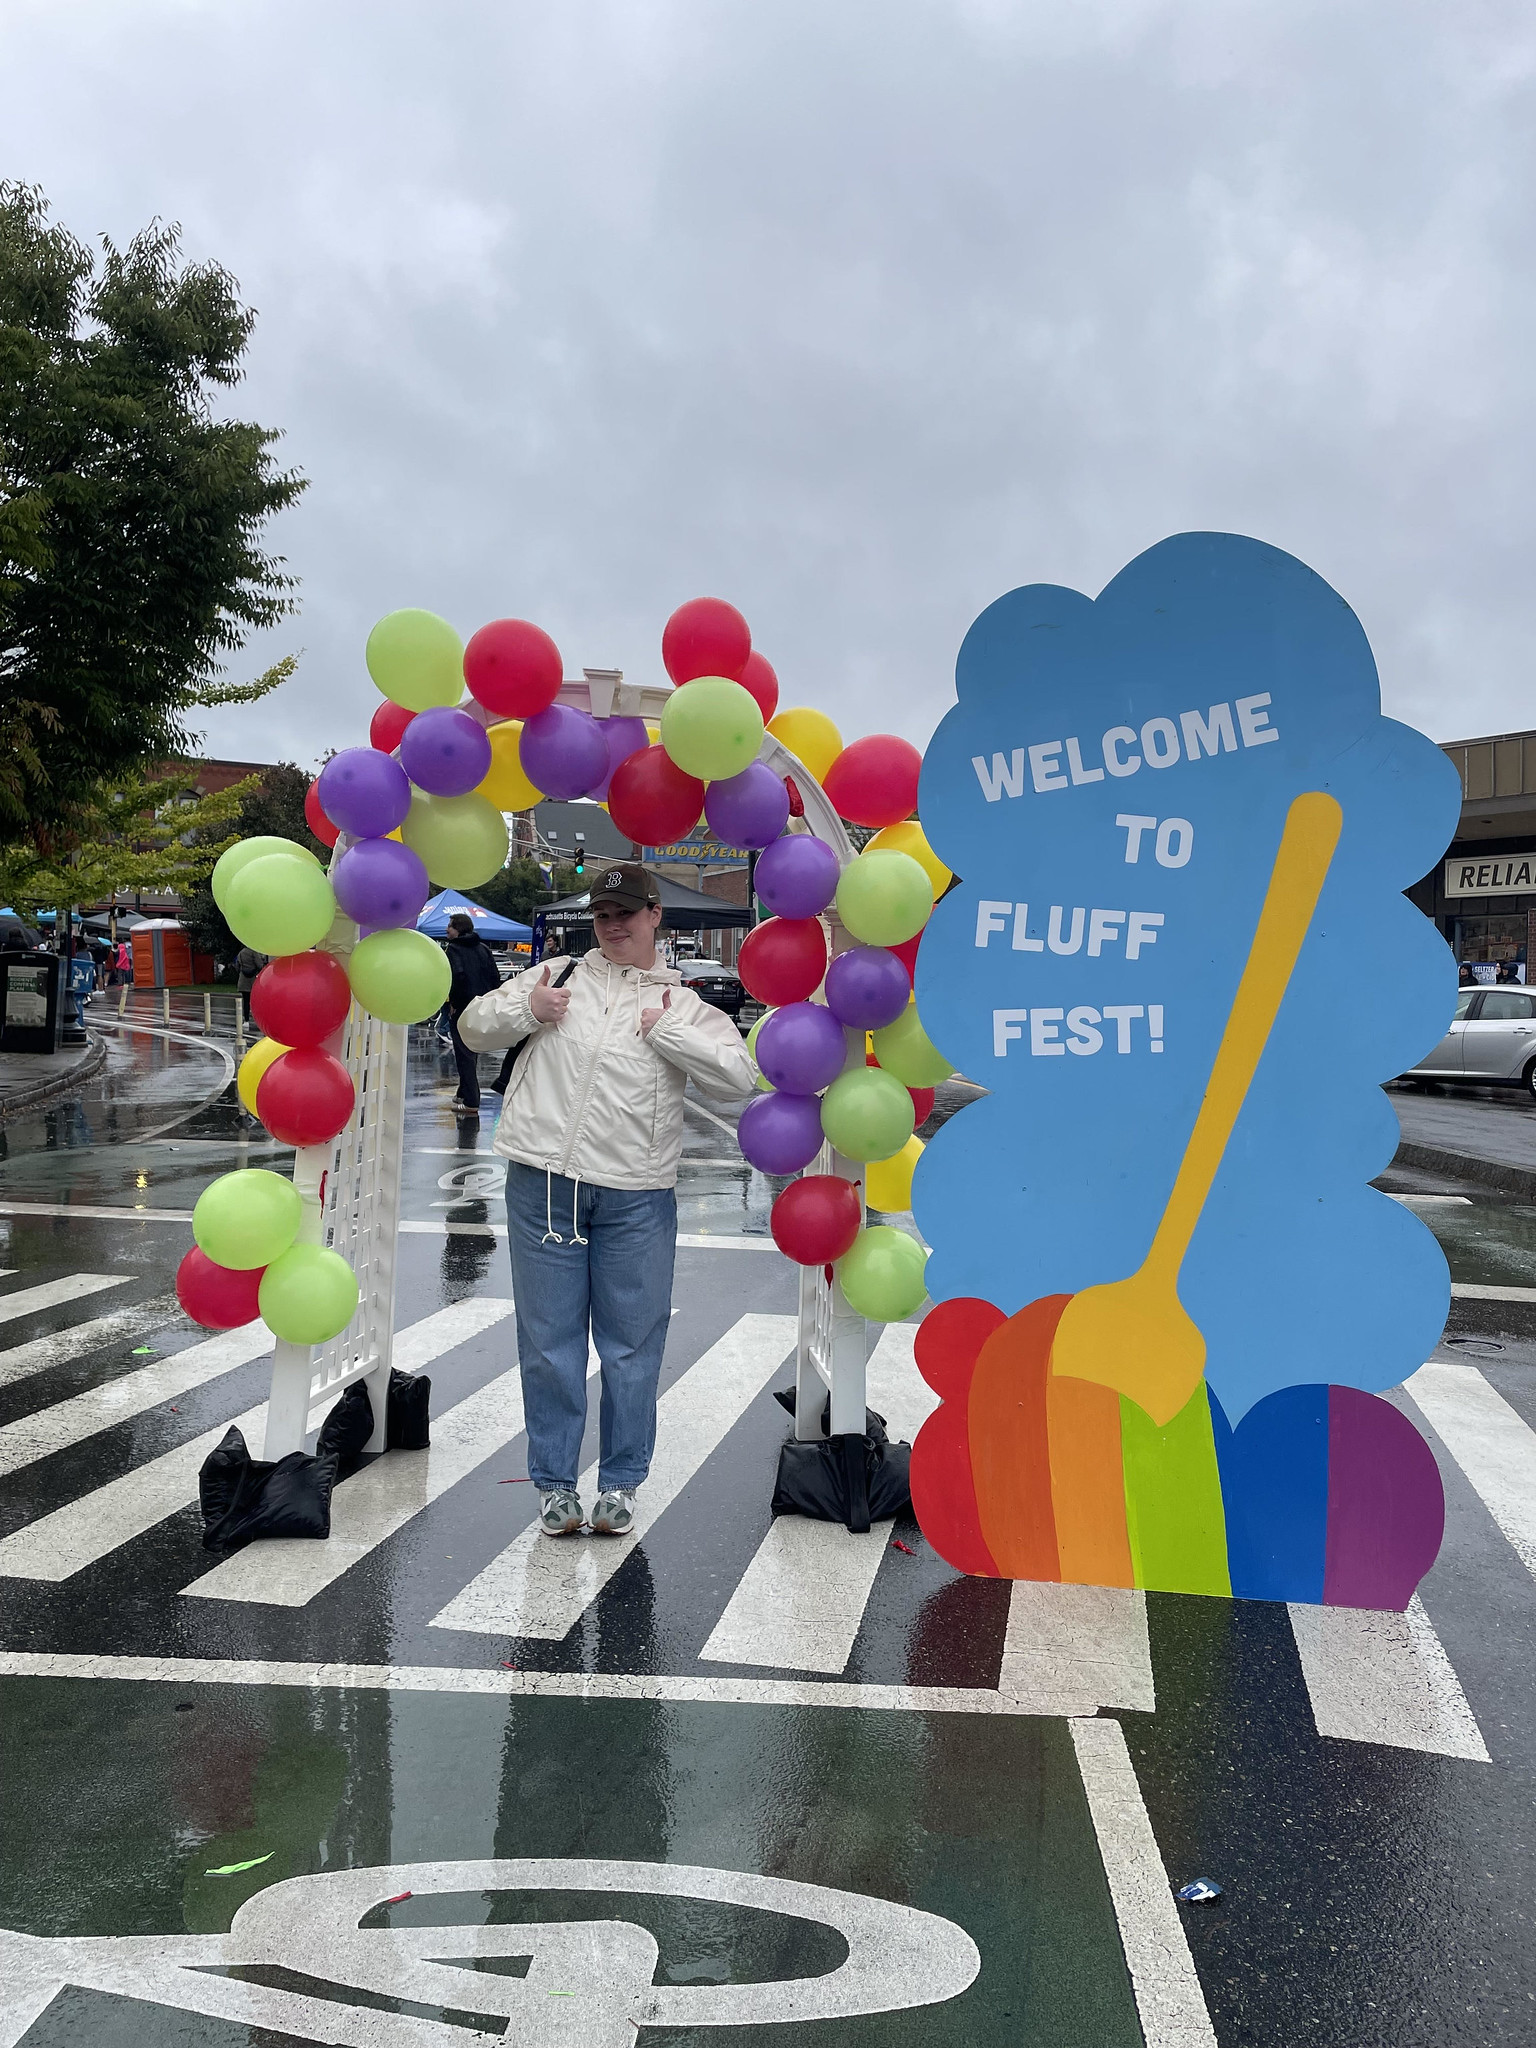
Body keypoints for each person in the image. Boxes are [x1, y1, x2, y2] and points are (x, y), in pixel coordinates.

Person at [458, 861, 755, 1538]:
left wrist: (667, 1033)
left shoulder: (683, 1005)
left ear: (655, 915)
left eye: (626, 912)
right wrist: (524, 1008)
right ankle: (555, 1485)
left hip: (635, 1195)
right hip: (544, 1183)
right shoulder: (556, 975)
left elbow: (739, 1078)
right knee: (549, 1344)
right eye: (602, 915)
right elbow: (475, 1026)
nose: (613, 925)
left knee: (631, 1348)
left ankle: (620, 1482)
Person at [443, 911, 501, 1112]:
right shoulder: (483, 949)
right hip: (483, 1005)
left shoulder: (453, 950)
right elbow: (495, 976)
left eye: (449, 926)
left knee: (463, 1053)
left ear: (458, 929)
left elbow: (456, 977)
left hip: (462, 1006)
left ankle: (471, 1100)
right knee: (472, 1050)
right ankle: (462, 1091)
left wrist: (453, 1002)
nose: (446, 929)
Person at [235, 944, 268, 1022]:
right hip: (252, 981)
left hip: (243, 980)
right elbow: (259, 965)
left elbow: (237, 967)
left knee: (246, 1001)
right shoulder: (254, 953)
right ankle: (258, 1019)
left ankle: (246, 1019)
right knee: (255, 1001)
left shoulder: (241, 953)